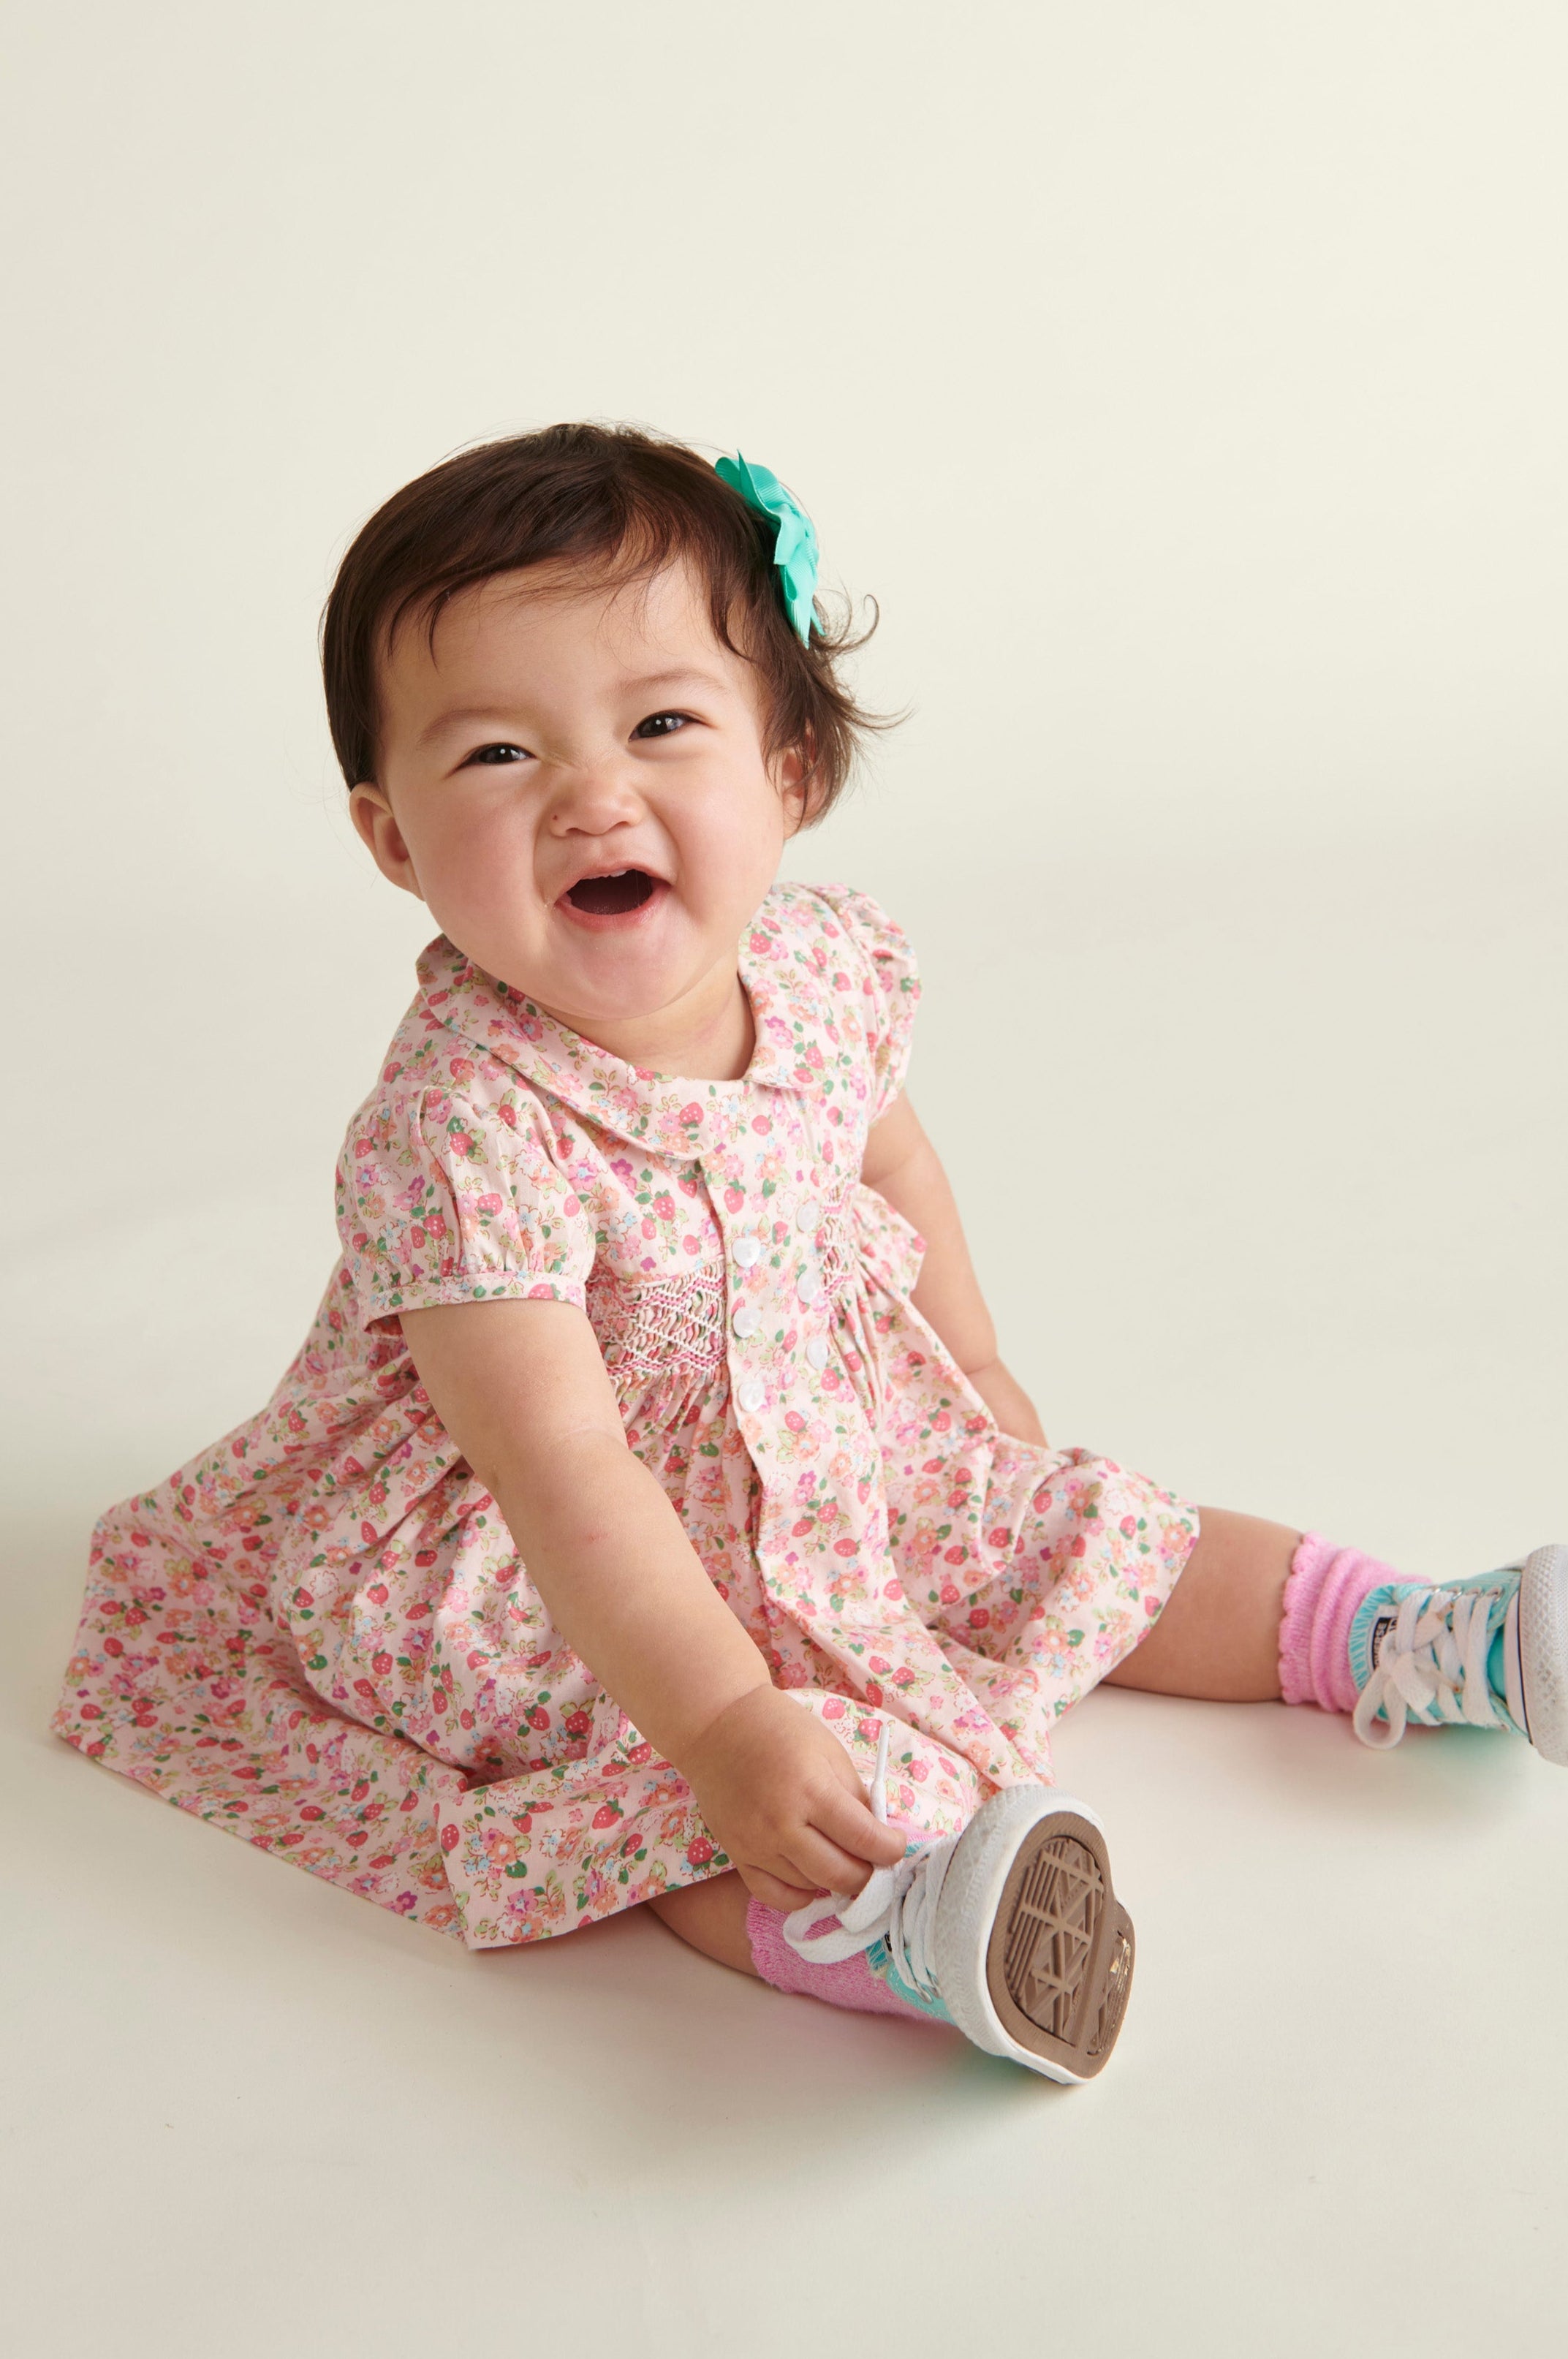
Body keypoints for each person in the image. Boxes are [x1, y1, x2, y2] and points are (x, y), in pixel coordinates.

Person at [55, 425, 1568, 2083]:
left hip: (825, 1431)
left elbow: (895, 1162)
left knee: (1072, 1520)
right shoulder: (464, 1127)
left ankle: (1414, 1636)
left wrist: (974, 1377)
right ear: (393, 838)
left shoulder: (825, 971)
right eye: (495, 756)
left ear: (789, 773)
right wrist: (715, 1723)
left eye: (658, 725)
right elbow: (557, 1465)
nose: (588, 795)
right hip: (542, 1555)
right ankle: (898, 1925)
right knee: (643, 1754)